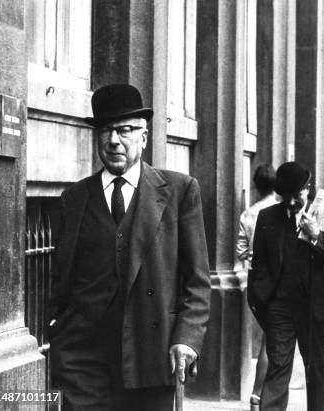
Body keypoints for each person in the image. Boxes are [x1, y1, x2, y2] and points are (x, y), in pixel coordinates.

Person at [47, 84, 211, 411]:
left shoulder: (179, 191)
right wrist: (58, 332)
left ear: (144, 137)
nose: (113, 140)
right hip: (83, 361)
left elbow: (197, 282)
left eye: (125, 130)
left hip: (151, 357)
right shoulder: (74, 198)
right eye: (106, 131)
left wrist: (187, 338)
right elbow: (61, 279)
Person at [248, 162, 324, 411]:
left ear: (307, 190)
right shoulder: (267, 217)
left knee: (315, 367)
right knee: (277, 366)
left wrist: (316, 236)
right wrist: (261, 301)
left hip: (313, 307)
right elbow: (257, 264)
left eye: (296, 196)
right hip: (279, 307)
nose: (291, 202)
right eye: (285, 197)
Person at [235, 164, 278, 410]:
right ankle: (258, 394)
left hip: (255, 279)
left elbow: (241, 251)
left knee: (267, 336)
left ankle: (258, 394)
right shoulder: (280, 211)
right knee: (271, 339)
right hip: (275, 279)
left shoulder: (248, 214)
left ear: (255, 185)